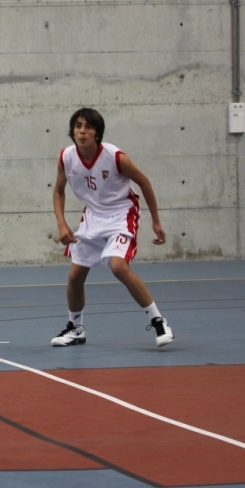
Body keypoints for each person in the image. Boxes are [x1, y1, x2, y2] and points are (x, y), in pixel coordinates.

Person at [51, 108, 174, 349]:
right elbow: (58, 191)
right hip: (93, 216)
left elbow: (143, 182)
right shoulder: (66, 157)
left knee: (118, 266)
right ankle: (75, 329)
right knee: (75, 277)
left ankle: (159, 321)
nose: (82, 131)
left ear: (97, 133)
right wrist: (61, 223)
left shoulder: (115, 157)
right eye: (78, 126)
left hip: (121, 214)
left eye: (88, 127)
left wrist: (156, 221)